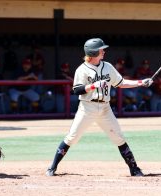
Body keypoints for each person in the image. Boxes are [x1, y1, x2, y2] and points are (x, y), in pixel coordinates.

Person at [46, 38, 153, 177]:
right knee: (72, 138)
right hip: (87, 108)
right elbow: (77, 90)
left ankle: (134, 169)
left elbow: (120, 83)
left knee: (119, 138)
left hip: (105, 109)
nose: (103, 51)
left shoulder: (108, 66)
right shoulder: (82, 69)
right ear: (93, 52)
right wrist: (93, 86)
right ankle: (52, 167)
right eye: (101, 49)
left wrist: (141, 82)